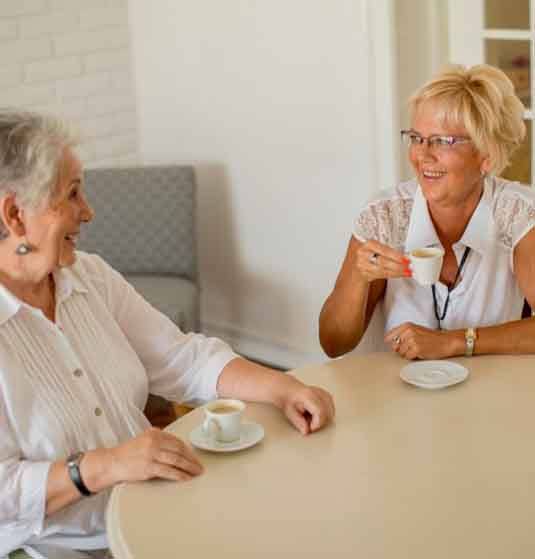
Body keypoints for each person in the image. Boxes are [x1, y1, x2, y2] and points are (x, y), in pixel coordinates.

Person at [0, 110, 335, 559]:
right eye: (73, 194)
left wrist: (283, 386)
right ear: (14, 216)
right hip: (52, 548)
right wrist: (103, 467)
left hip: (148, 507)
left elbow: (182, 358)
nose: (89, 211)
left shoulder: (90, 276)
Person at [319, 64, 535, 360]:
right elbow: (333, 344)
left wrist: (456, 342)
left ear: (486, 155)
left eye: (442, 141)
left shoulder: (518, 214)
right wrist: (359, 277)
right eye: (417, 138)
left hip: (490, 394)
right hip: (397, 394)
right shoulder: (385, 215)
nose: (422, 155)